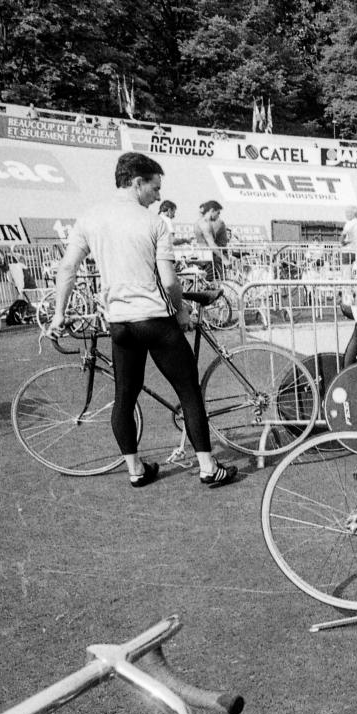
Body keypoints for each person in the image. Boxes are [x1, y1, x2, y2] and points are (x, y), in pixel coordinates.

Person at [50, 152, 236, 488]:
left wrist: (59, 314)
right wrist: (181, 311)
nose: (159, 195)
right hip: (155, 319)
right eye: (155, 187)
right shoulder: (154, 223)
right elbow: (168, 281)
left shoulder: (90, 218)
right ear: (137, 183)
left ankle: (136, 470)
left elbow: (67, 268)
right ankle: (208, 467)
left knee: (125, 396)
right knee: (188, 391)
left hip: (120, 323)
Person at [195, 200, 229, 280]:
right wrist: (224, 259)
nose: (218, 216)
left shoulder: (200, 223)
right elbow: (211, 243)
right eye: (218, 213)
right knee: (220, 282)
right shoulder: (208, 224)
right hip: (212, 258)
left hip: (207, 257)